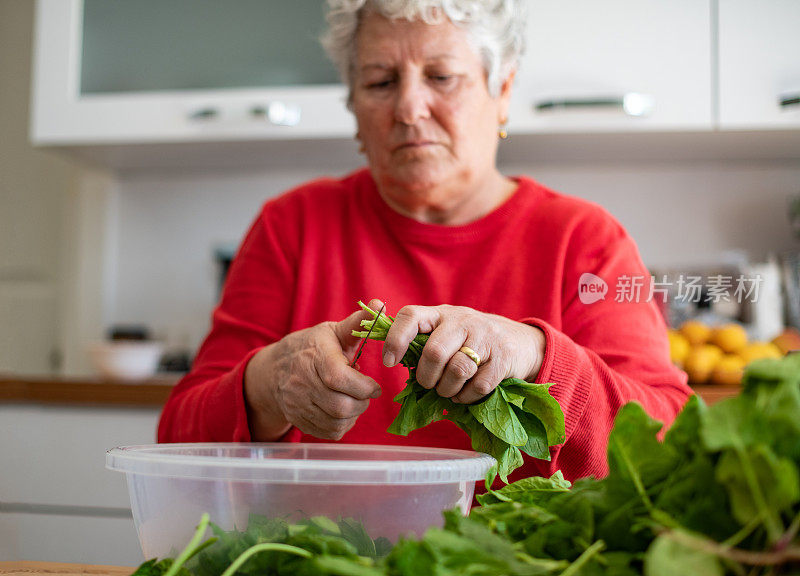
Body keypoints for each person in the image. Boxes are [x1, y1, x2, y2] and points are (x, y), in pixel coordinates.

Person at [157, 0, 692, 483]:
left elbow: (669, 445)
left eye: (441, 76)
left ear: (501, 91)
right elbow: (177, 439)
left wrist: (535, 354)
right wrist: (266, 384)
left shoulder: (585, 240)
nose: (409, 108)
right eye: (380, 82)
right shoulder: (291, 226)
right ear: (354, 109)